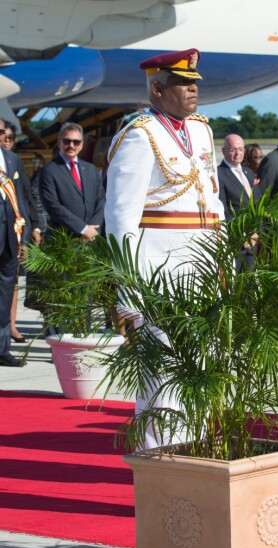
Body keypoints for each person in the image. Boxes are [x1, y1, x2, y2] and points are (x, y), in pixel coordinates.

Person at [104, 48, 224, 449]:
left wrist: (221, 260)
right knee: (163, 377)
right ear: (157, 89)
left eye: (194, 83)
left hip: (202, 271)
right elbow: (121, 219)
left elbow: (213, 201)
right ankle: (160, 460)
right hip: (161, 274)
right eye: (181, 83)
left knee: (199, 370)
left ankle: (193, 448)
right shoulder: (140, 135)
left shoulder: (202, 131)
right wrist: (129, 287)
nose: (192, 90)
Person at [0, 120, 40, 343]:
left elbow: (23, 199)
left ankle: (7, 337)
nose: (4, 138)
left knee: (9, 288)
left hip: (11, 235)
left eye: (6, 135)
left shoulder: (13, 161)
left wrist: (28, 232)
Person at [39, 122, 105, 242]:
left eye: (76, 142)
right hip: (64, 242)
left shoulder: (91, 169)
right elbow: (53, 205)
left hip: (91, 239)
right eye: (66, 141)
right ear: (59, 142)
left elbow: (100, 200)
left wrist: (93, 229)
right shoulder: (48, 171)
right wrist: (83, 228)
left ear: (82, 144)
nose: (71, 145)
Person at [0, 118, 29, 366]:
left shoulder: (12, 160)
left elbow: (22, 200)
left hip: (9, 239)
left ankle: (2, 350)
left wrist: (26, 239)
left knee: (5, 295)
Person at [218, 134, 257, 220]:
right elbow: (223, 209)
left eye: (241, 149)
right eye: (233, 150)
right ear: (224, 151)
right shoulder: (218, 174)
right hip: (238, 230)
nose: (238, 153)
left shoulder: (249, 173)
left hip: (257, 230)